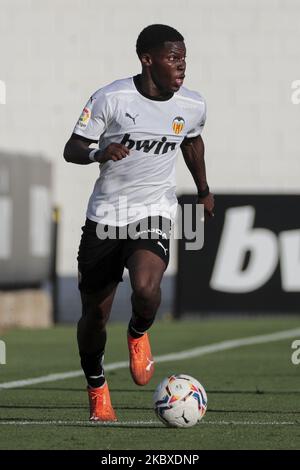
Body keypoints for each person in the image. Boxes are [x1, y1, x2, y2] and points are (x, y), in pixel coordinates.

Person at [63, 24, 214, 422]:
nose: (182, 65)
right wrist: (99, 151)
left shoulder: (192, 104)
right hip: (106, 218)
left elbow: (192, 140)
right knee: (94, 314)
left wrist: (203, 190)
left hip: (153, 210)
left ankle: (137, 331)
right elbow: (72, 147)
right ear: (147, 59)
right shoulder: (111, 98)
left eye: (184, 57)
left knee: (147, 290)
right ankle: (97, 388)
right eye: (173, 57)